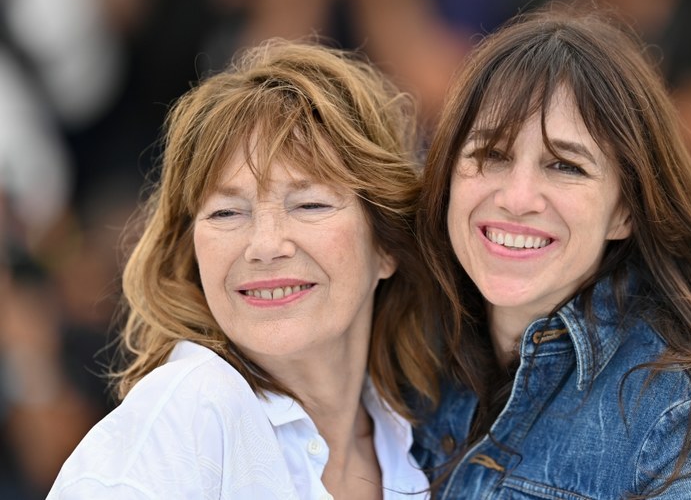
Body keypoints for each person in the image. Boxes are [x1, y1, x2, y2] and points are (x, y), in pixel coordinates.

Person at [411, 2, 691, 499]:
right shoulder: (401, 340)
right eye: (491, 155)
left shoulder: (674, 400)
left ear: (624, 211)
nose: (517, 198)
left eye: (565, 166)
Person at [46, 39, 438, 499]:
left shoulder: (417, 436)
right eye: (227, 213)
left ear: (387, 245)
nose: (265, 245)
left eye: (309, 204)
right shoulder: (191, 411)